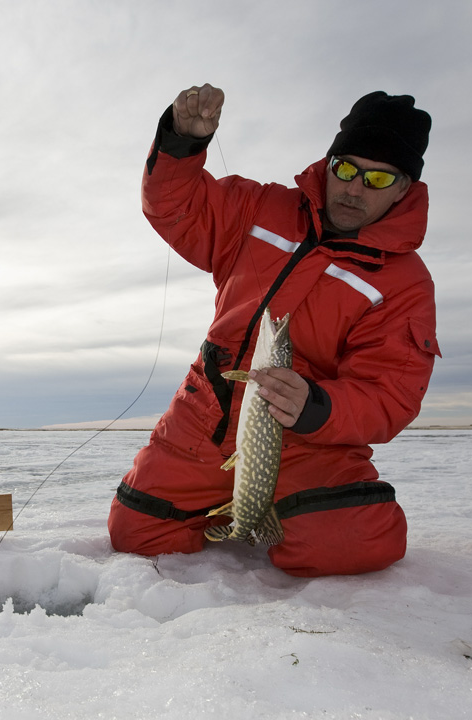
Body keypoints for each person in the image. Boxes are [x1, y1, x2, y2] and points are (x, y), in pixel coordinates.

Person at [107, 84, 440, 578]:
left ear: (404, 188)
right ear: (328, 164)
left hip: (309, 443)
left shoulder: (404, 283)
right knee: (135, 533)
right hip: (207, 414)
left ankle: (280, 511)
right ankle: (233, 510)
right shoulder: (259, 208)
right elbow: (174, 206)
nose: (353, 188)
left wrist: (316, 406)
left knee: (358, 541)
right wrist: (182, 141)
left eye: (377, 178)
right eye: (345, 169)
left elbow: (389, 395)